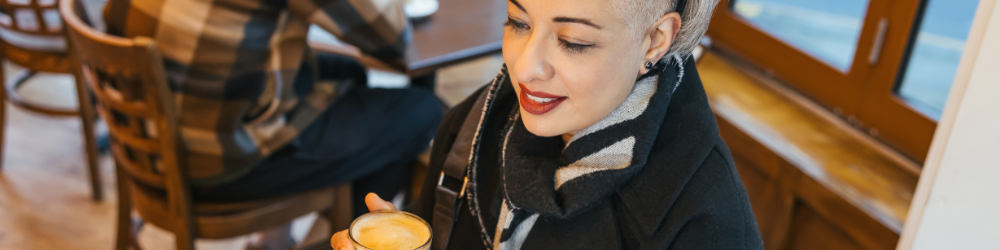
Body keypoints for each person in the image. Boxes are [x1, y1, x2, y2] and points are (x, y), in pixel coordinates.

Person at [332, 0, 764, 248]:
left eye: (573, 42)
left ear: (655, 39)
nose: (525, 68)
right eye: (518, 22)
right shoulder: (474, 126)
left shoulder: (706, 225)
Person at [102, 0, 442, 248]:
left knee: (347, 73)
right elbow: (392, 36)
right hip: (212, 165)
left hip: (149, 139)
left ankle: (275, 240)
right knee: (420, 112)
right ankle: (329, 241)